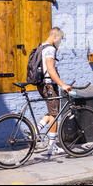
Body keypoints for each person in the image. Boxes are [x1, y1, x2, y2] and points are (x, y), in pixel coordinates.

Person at [37, 27, 72, 156]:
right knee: (55, 115)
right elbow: (51, 70)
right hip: (49, 85)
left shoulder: (42, 46)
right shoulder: (50, 49)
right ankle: (51, 148)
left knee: (52, 112)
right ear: (55, 36)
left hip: (42, 85)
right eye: (60, 39)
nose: (60, 42)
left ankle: (36, 131)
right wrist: (62, 85)